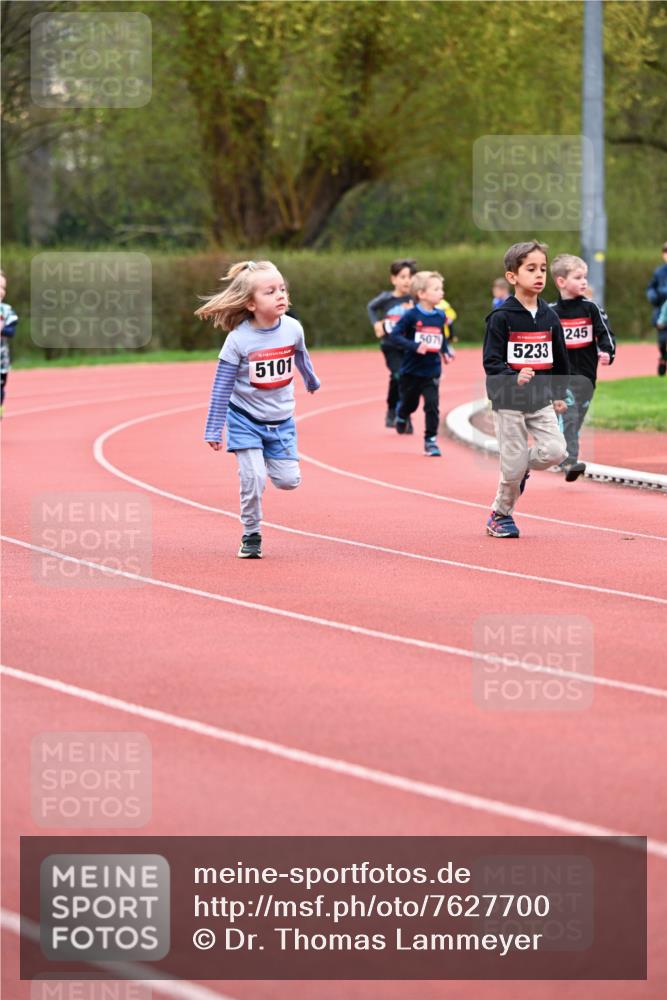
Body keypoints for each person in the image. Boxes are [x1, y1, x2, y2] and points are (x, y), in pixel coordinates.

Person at [198, 260, 320, 559]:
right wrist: (214, 428)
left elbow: (301, 357)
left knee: (288, 481)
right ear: (251, 304)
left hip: (281, 421)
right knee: (253, 479)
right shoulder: (238, 340)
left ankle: (264, 457)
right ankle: (251, 533)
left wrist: (312, 380)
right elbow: (221, 387)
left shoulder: (292, 328)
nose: (280, 295)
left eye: (282, 289)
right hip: (245, 419)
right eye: (270, 292)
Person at [483, 241, 569, 538]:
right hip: (508, 399)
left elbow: (560, 357)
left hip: (540, 399)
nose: (539, 275)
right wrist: (513, 376)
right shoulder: (501, 317)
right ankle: (500, 515)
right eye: (530, 269)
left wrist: (559, 392)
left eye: (543, 269)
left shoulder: (550, 316)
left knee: (556, 451)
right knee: (513, 466)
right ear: (512, 277)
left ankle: (520, 469)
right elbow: (491, 361)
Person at [550, 253, 615, 479]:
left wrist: (607, 352)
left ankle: (560, 450)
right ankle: (570, 463)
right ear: (561, 282)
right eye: (578, 277)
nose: (584, 282)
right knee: (569, 414)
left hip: (587, 376)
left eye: (585, 277)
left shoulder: (591, 309)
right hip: (561, 377)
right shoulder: (550, 313)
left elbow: (606, 335)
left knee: (576, 419)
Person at [390, 270, 455, 457]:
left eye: (441, 288)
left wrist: (445, 352)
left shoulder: (440, 316)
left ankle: (430, 440)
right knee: (410, 404)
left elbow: (440, 336)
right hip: (411, 371)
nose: (441, 292)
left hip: (432, 370)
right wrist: (414, 346)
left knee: (432, 405)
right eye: (436, 289)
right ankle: (401, 414)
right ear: (421, 294)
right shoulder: (410, 315)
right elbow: (395, 336)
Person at [367, 258, 416, 429]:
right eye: (402, 277)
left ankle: (392, 410)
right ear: (393, 279)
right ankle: (404, 416)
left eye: (410, 277)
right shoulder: (386, 298)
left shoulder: (415, 299)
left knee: (401, 379)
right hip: (390, 346)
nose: (407, 281)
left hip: (409, 346)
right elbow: (371, 307)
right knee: (400, 376)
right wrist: (376, 324)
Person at [646, 241, 667, 376]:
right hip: (662, 313)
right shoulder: (659, 272)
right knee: (663, 340)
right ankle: (663, 358)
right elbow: (651, 288)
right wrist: (653, 296)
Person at [0, 270, 19, 416]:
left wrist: (2, 329)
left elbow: (10, 331)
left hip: (1, 362)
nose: (1, 291)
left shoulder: (6, 310)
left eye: (3, 288)